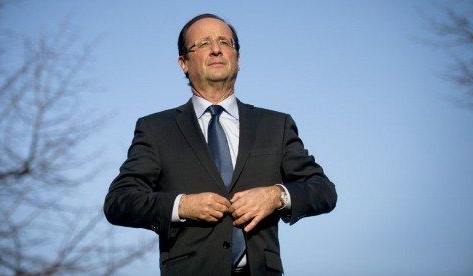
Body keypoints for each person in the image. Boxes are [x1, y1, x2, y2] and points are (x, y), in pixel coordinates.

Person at [104, 14, 337, 276]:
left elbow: (323, 191)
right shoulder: (157, 129)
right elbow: (119, 202)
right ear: (184, 63)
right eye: (203, 44)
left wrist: (276, 196)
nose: (216, 49)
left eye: (225, 42)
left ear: (237, 59)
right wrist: (182, 206)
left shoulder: (275, 125)